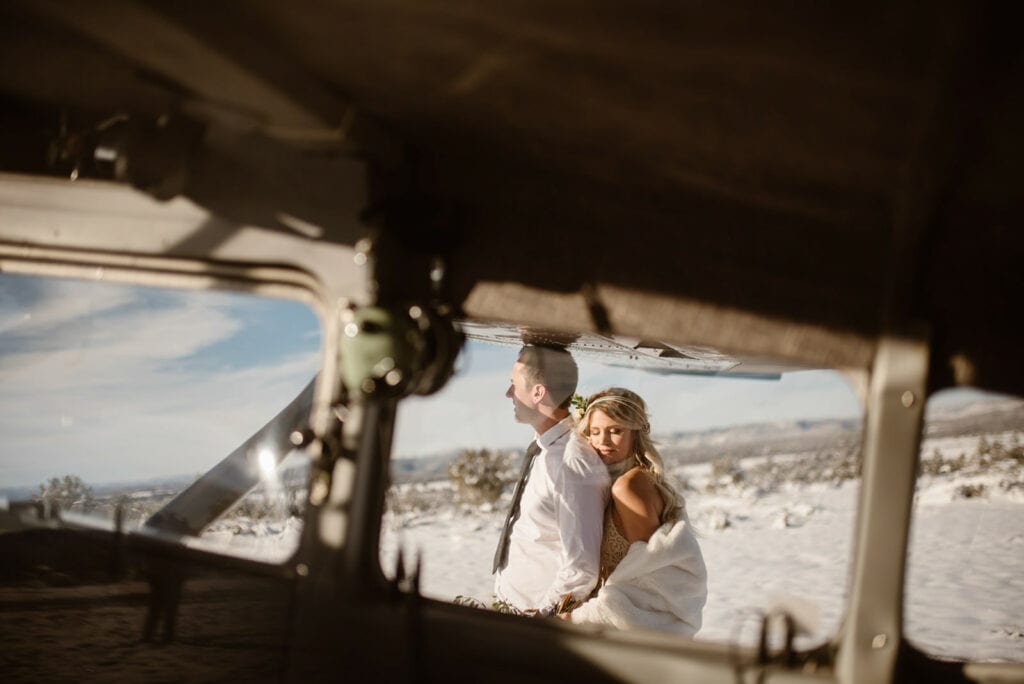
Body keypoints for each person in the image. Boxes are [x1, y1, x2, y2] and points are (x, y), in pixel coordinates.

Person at [567, 387, 707, 636]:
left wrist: (578, 617)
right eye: (595, 432)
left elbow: (650, 582)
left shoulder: (629, 487)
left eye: (616, 431)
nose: (603, 442)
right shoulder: (615, 483)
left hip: (642, 630)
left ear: (636, 434)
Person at [493, 345, 610, 614]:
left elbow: (581, 569)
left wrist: (542, 617)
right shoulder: (546, 449)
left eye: (513, 385)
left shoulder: (572, 463)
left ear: (538, 392)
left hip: (534, 624)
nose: (508, 393)